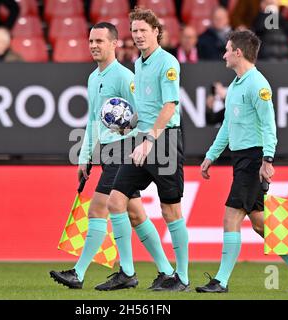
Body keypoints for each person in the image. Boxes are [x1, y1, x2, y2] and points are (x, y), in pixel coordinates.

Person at [50, 22, 174, 291]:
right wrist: (86, 157)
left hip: (123, 151)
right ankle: (166, 271)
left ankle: (81, 273)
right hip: (107, 152)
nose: (94, 45)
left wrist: (139, 144)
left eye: (100, 41)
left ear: (114, 44)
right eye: (91, 41)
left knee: (98, 208)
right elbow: (93, 120)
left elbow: (143, 113)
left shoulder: (124, 77)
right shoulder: (94, 78)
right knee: (136, 215)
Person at [196, 30, 288, 293]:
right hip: (241, 158)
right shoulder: (238, 84)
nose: (224, 54)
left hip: (253, 158)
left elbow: (269, 125)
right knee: (260, 223)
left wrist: (267, 159)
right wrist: (210, 156)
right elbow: (227, 125)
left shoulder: (257, 84)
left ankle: (221, 281)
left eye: (227, 49)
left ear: (238, 52)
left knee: (231, 217)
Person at [100, 8, 189, 292]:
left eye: (143, 31)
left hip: (164, 141)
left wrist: (150, 138)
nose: (138, 36)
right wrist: (129, 125)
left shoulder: (168, 62)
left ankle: (182, 277)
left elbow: (170, 105)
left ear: (156, 32)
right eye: (134, 31)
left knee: (170, 210)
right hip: (142, 139)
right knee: (115, 201)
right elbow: (146, 108)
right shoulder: (139, 64)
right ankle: (127, 272)